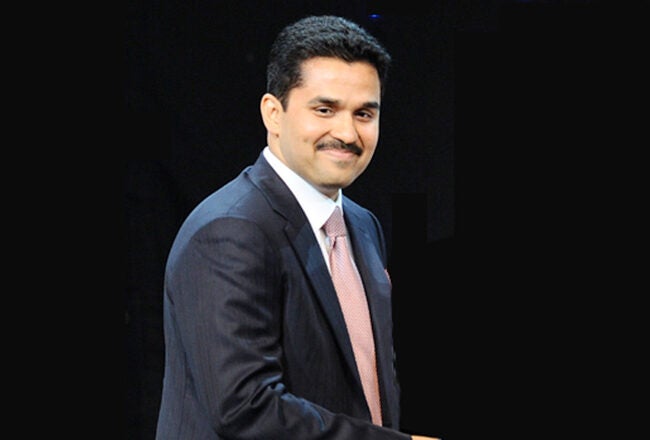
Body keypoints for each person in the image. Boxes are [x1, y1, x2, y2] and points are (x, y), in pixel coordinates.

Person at [155, 15, 440, 440]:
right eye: (324, 109)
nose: (346, 132)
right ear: (273, 113)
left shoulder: (361, 225)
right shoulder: (230, 230)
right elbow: (245, 409)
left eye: (364, 113)